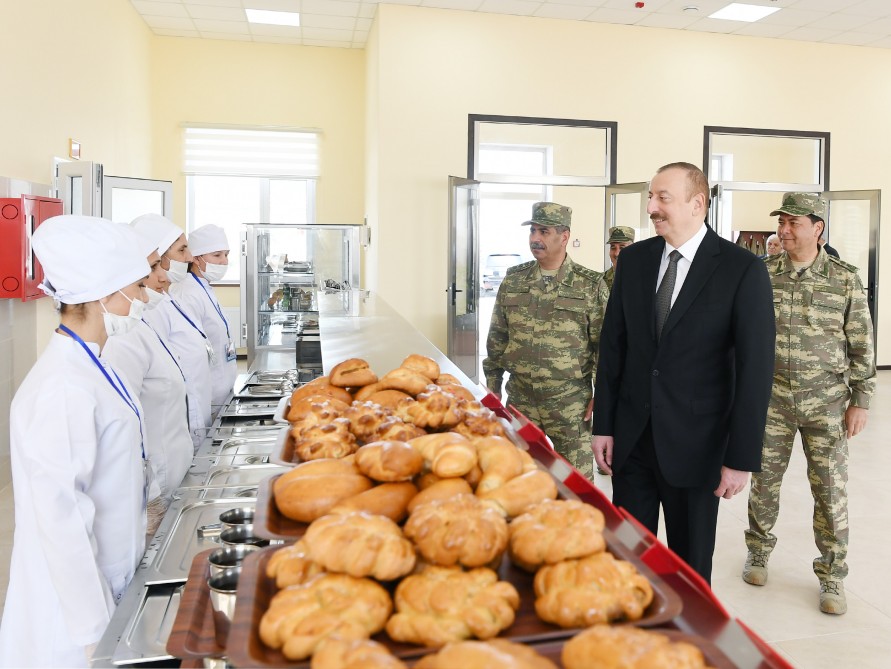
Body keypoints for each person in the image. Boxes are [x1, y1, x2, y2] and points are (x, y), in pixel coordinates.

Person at [592, 162, 775, 583]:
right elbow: (614, 347)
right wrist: (604, 425)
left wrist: (740, 458)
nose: (652, 207)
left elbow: (755, 370)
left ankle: (688, 646)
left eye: (663, 198)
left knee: (689, 572)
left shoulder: (741, 269)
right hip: (633, 440)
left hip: (698, 447)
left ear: (698, 203)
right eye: (651, 197)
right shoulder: (634, 261)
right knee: (627, 562)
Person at [0, 216, 150, 667]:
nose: (144, 299)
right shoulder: (61, 388)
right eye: (138, 288)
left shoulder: (92, 364)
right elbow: (60, 520)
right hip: (71, 622)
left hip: (113, 581)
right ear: (105, 295)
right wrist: (92, 634)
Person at [743, 192, 875, 615]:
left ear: (817, 228)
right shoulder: (762, 275)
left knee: (830, 489)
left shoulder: (844, 279)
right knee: (764, 483)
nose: (783, 230)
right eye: (781, 222)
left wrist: (861, 400)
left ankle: (833, 575)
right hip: (773, 401)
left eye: (793, 223)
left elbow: (862, 344)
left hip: (828, 404)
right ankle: (759, 551)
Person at [484, 202, 603, 478]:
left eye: (544, 231)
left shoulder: (590, 284)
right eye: (533, 231)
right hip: (521, 398)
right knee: (519, 479)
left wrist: (602, 395)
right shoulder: (514, 280)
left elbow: (604, 346)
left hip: (570, 404)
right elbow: (498, 337)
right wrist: (493, 387)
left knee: (577, 486)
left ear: (564, 236)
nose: (535, 238)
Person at [102, 226, 193, 537]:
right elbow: (125, 428)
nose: (164, 277)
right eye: (153, 268)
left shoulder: (141, 323)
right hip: (154, 485)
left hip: (172, 473)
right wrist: (150, 497)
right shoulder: (119, 338)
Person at [134, 213, 213, 451]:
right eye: (182, 250)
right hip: (173, 437)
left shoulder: (171, 297)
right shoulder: (149, 310)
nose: (190, 258)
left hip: (190, 427)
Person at [170, 224, 237, 413]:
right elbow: (191, 350)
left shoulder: (203, 287)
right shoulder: (186, 292)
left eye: (226, 254)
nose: (224, 261)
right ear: (196, 258)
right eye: (217, 255)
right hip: (208, 394)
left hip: (223, 388)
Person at [602, 225, 635, 290]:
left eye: (622, 248)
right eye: (613, 248)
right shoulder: (602, 280)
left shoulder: (645, 278)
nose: (616, 253)